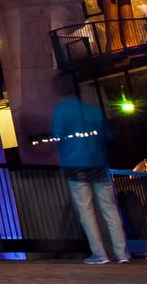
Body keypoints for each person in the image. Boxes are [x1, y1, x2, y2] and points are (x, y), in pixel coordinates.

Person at [52, 74, 128, 264]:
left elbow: (57, 136)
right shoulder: (93, 110)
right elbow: (107, 136)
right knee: (109, 209)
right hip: (99, 162)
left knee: (86, 211)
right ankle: (122, 253)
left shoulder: (61, 110)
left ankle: (100, 254)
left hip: (74, 163)